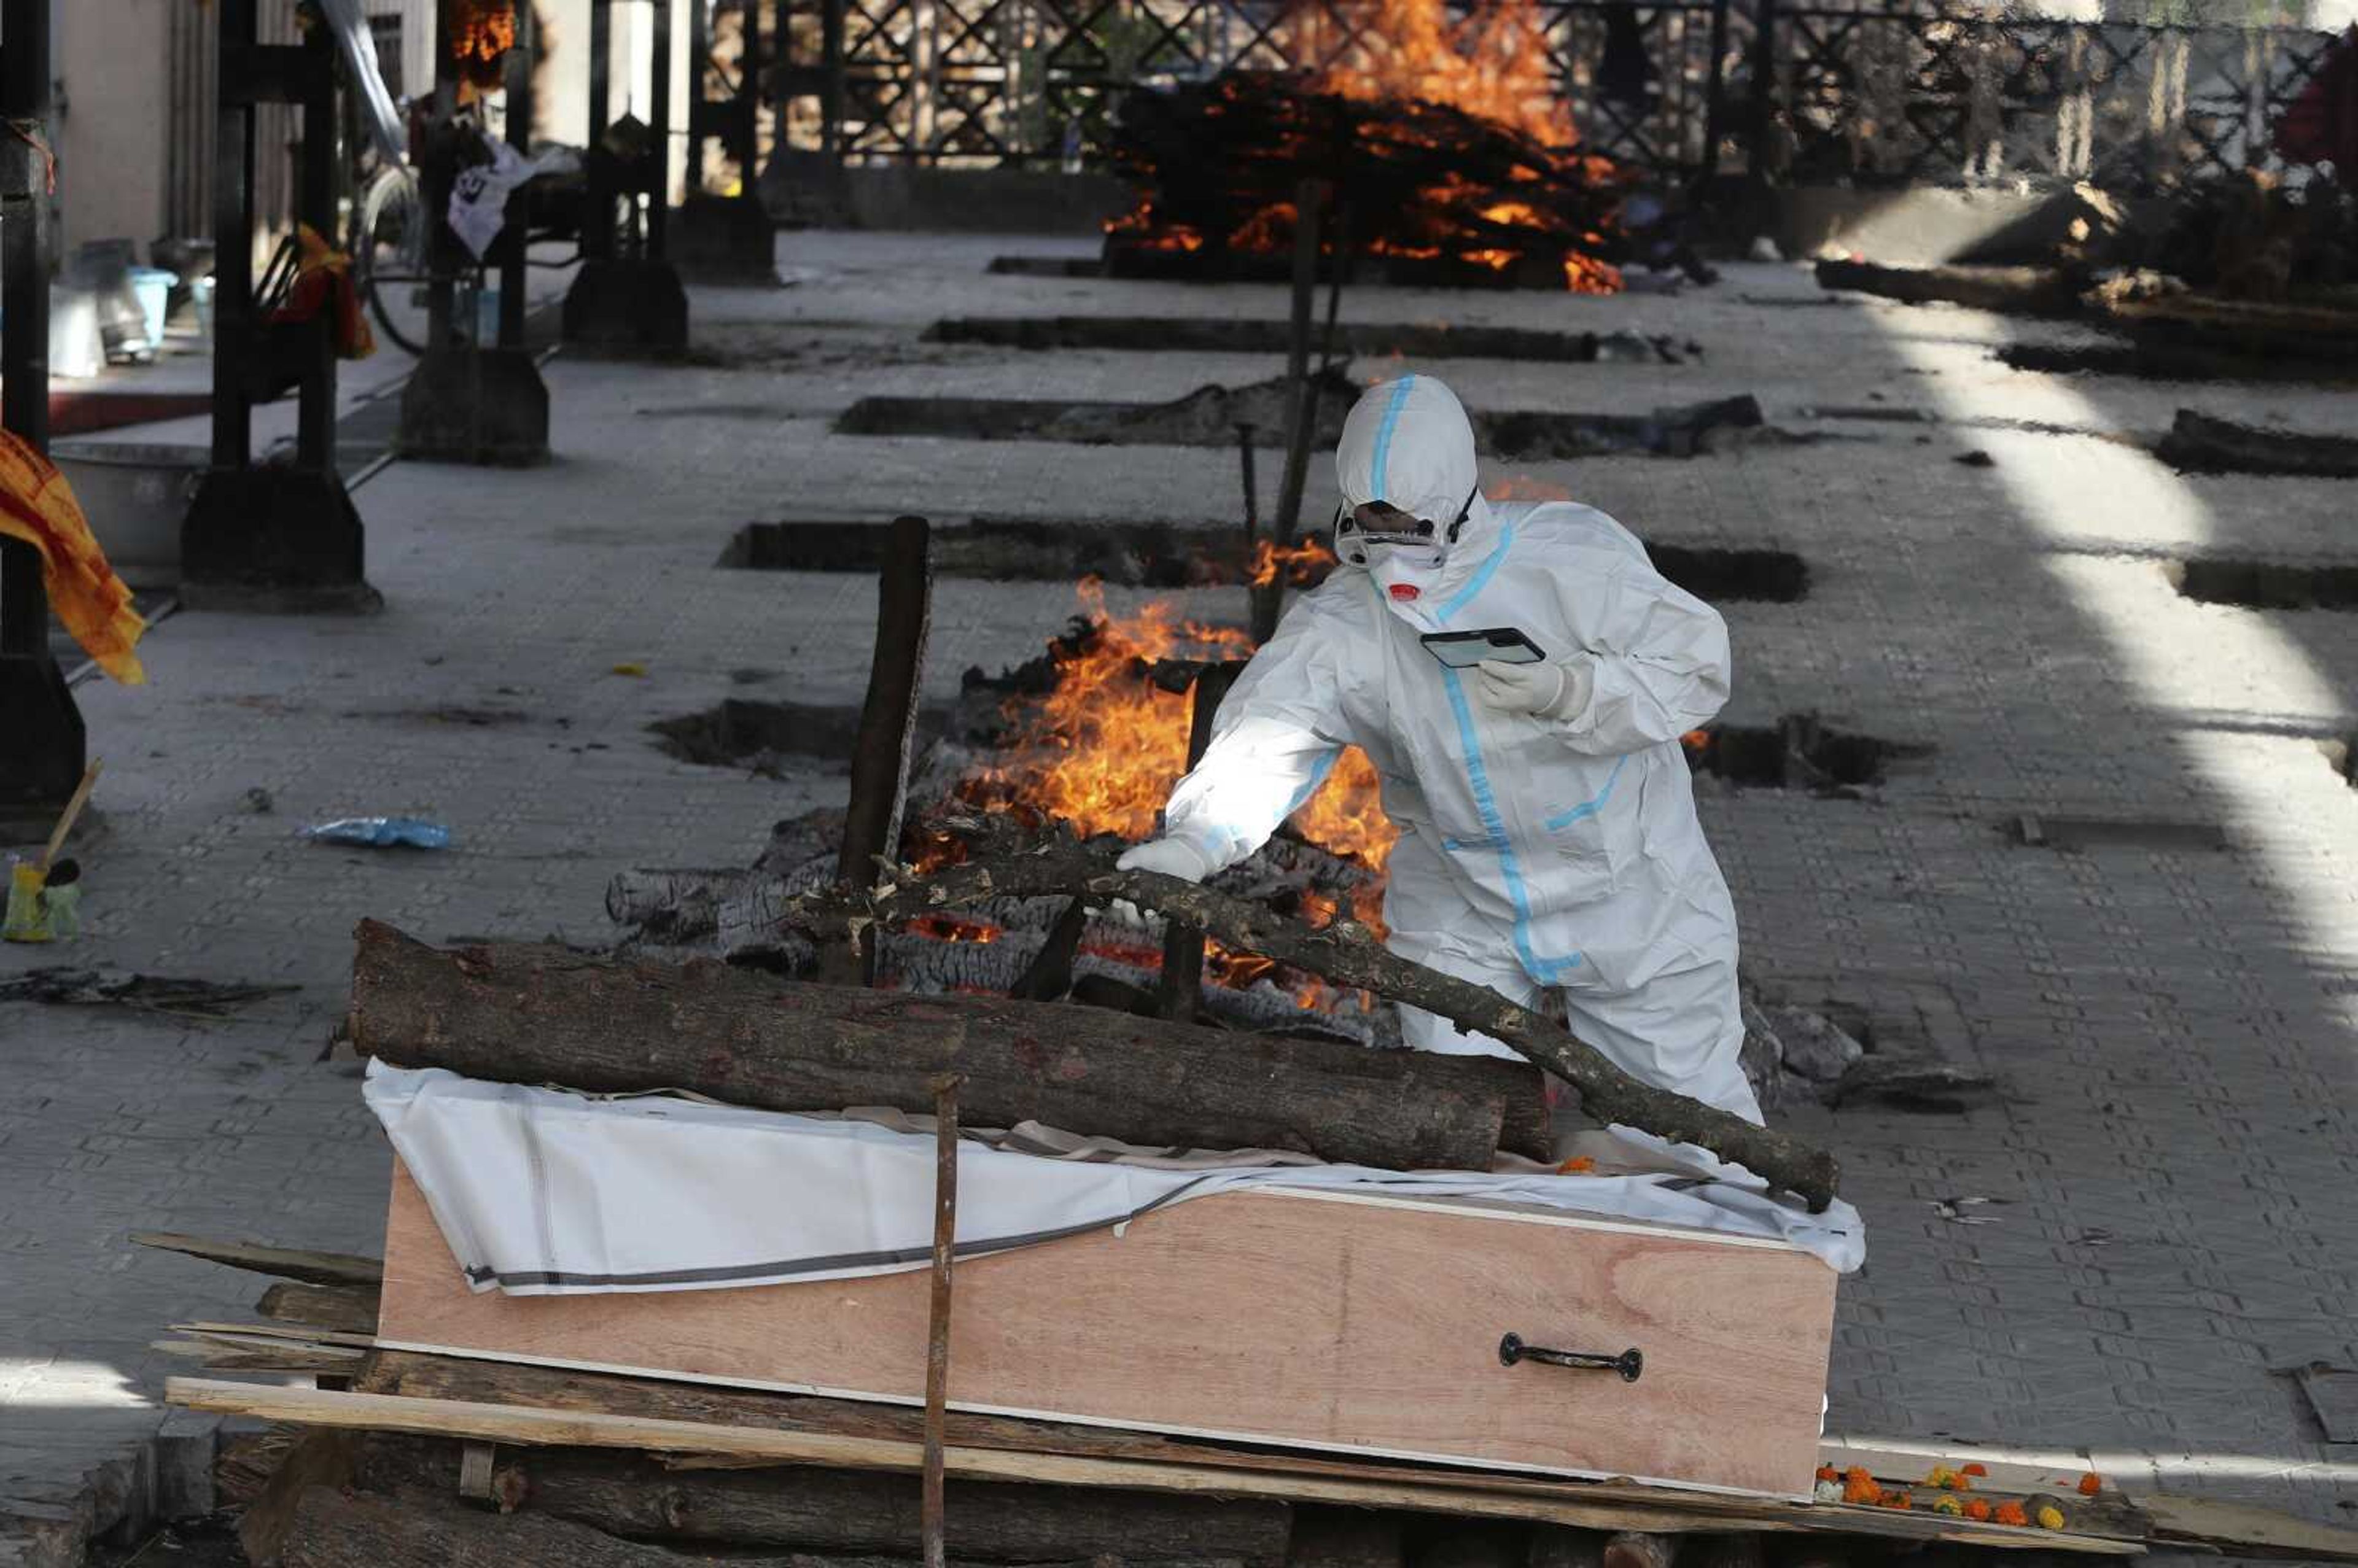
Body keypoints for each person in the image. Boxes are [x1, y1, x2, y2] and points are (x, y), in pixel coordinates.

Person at [1118, 374, 1762, 1124]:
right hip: (1463, 893)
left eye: (1411, 528)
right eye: (1370, 526)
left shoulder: (1571, 559)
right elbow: (1271, 729)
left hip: (1629, 882)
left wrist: (1574, 693)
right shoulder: (1345, 623)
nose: (1390, 558)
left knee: (1684, 1127)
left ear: (1457, 503)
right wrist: (1195, 840)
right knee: (1457, 1119)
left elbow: (1696, 662)